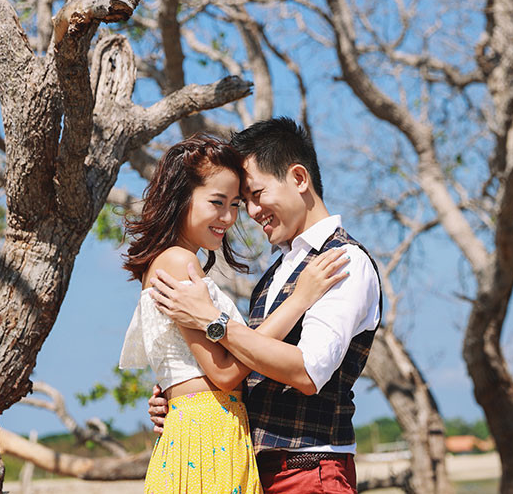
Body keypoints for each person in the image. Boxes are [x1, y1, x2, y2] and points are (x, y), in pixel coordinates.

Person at [147, 118, 382, 494]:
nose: (250, 213)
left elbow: (307, 372)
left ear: (299, 179)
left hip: (309, 470)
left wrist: (215, 322)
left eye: (255, 195)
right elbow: (246, 366)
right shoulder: (273, 276)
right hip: (252, 470)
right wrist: (184, 395)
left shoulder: (343, 262)